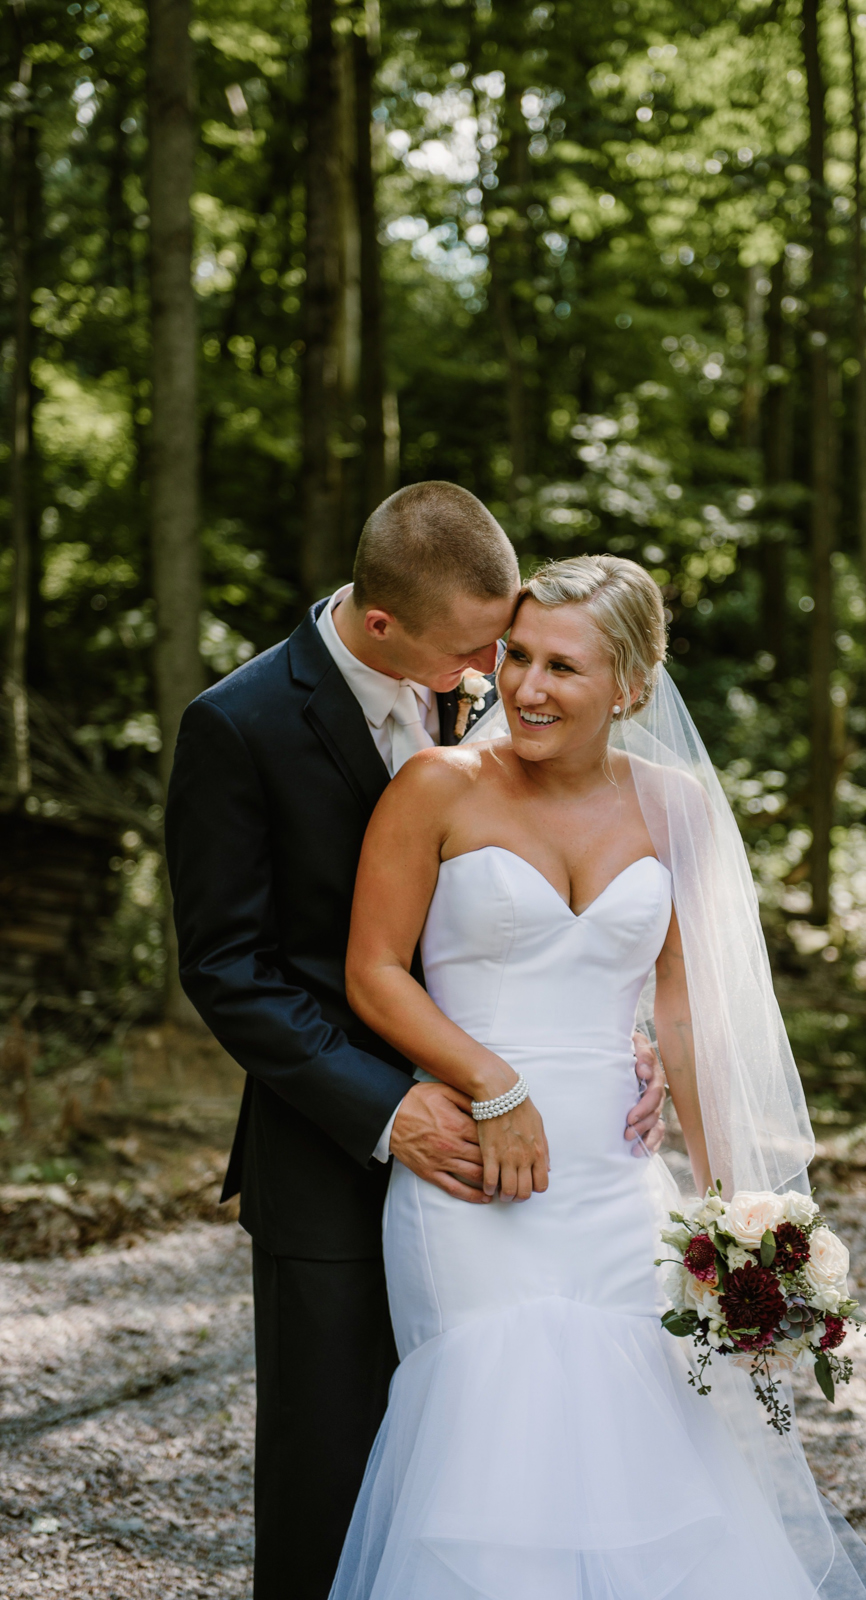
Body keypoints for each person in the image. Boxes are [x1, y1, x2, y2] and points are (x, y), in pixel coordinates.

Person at [329, 553, 866, 1600]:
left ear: (632, 686)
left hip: (617, 1182)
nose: (527, 687)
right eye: (519, 657)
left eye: (565, 667)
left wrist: (738, 1211)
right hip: (473, 1175)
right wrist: (492, 1083)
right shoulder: (438, 785)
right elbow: (371, 970)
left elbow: (685, 1014)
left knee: (646, 1451)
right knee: (492, 1442)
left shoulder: (677, 806)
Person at [165, 489, 669, 1600]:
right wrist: (392, 1105)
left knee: (536, 1446)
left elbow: (555, 891)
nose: (504, 672)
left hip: (544, 1155)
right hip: (334, 1140)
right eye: (479, 650)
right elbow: (228, 968)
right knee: (336, 1465)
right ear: (383, 626)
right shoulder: (238, 725)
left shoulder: (493, 687)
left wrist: (628, 1031)